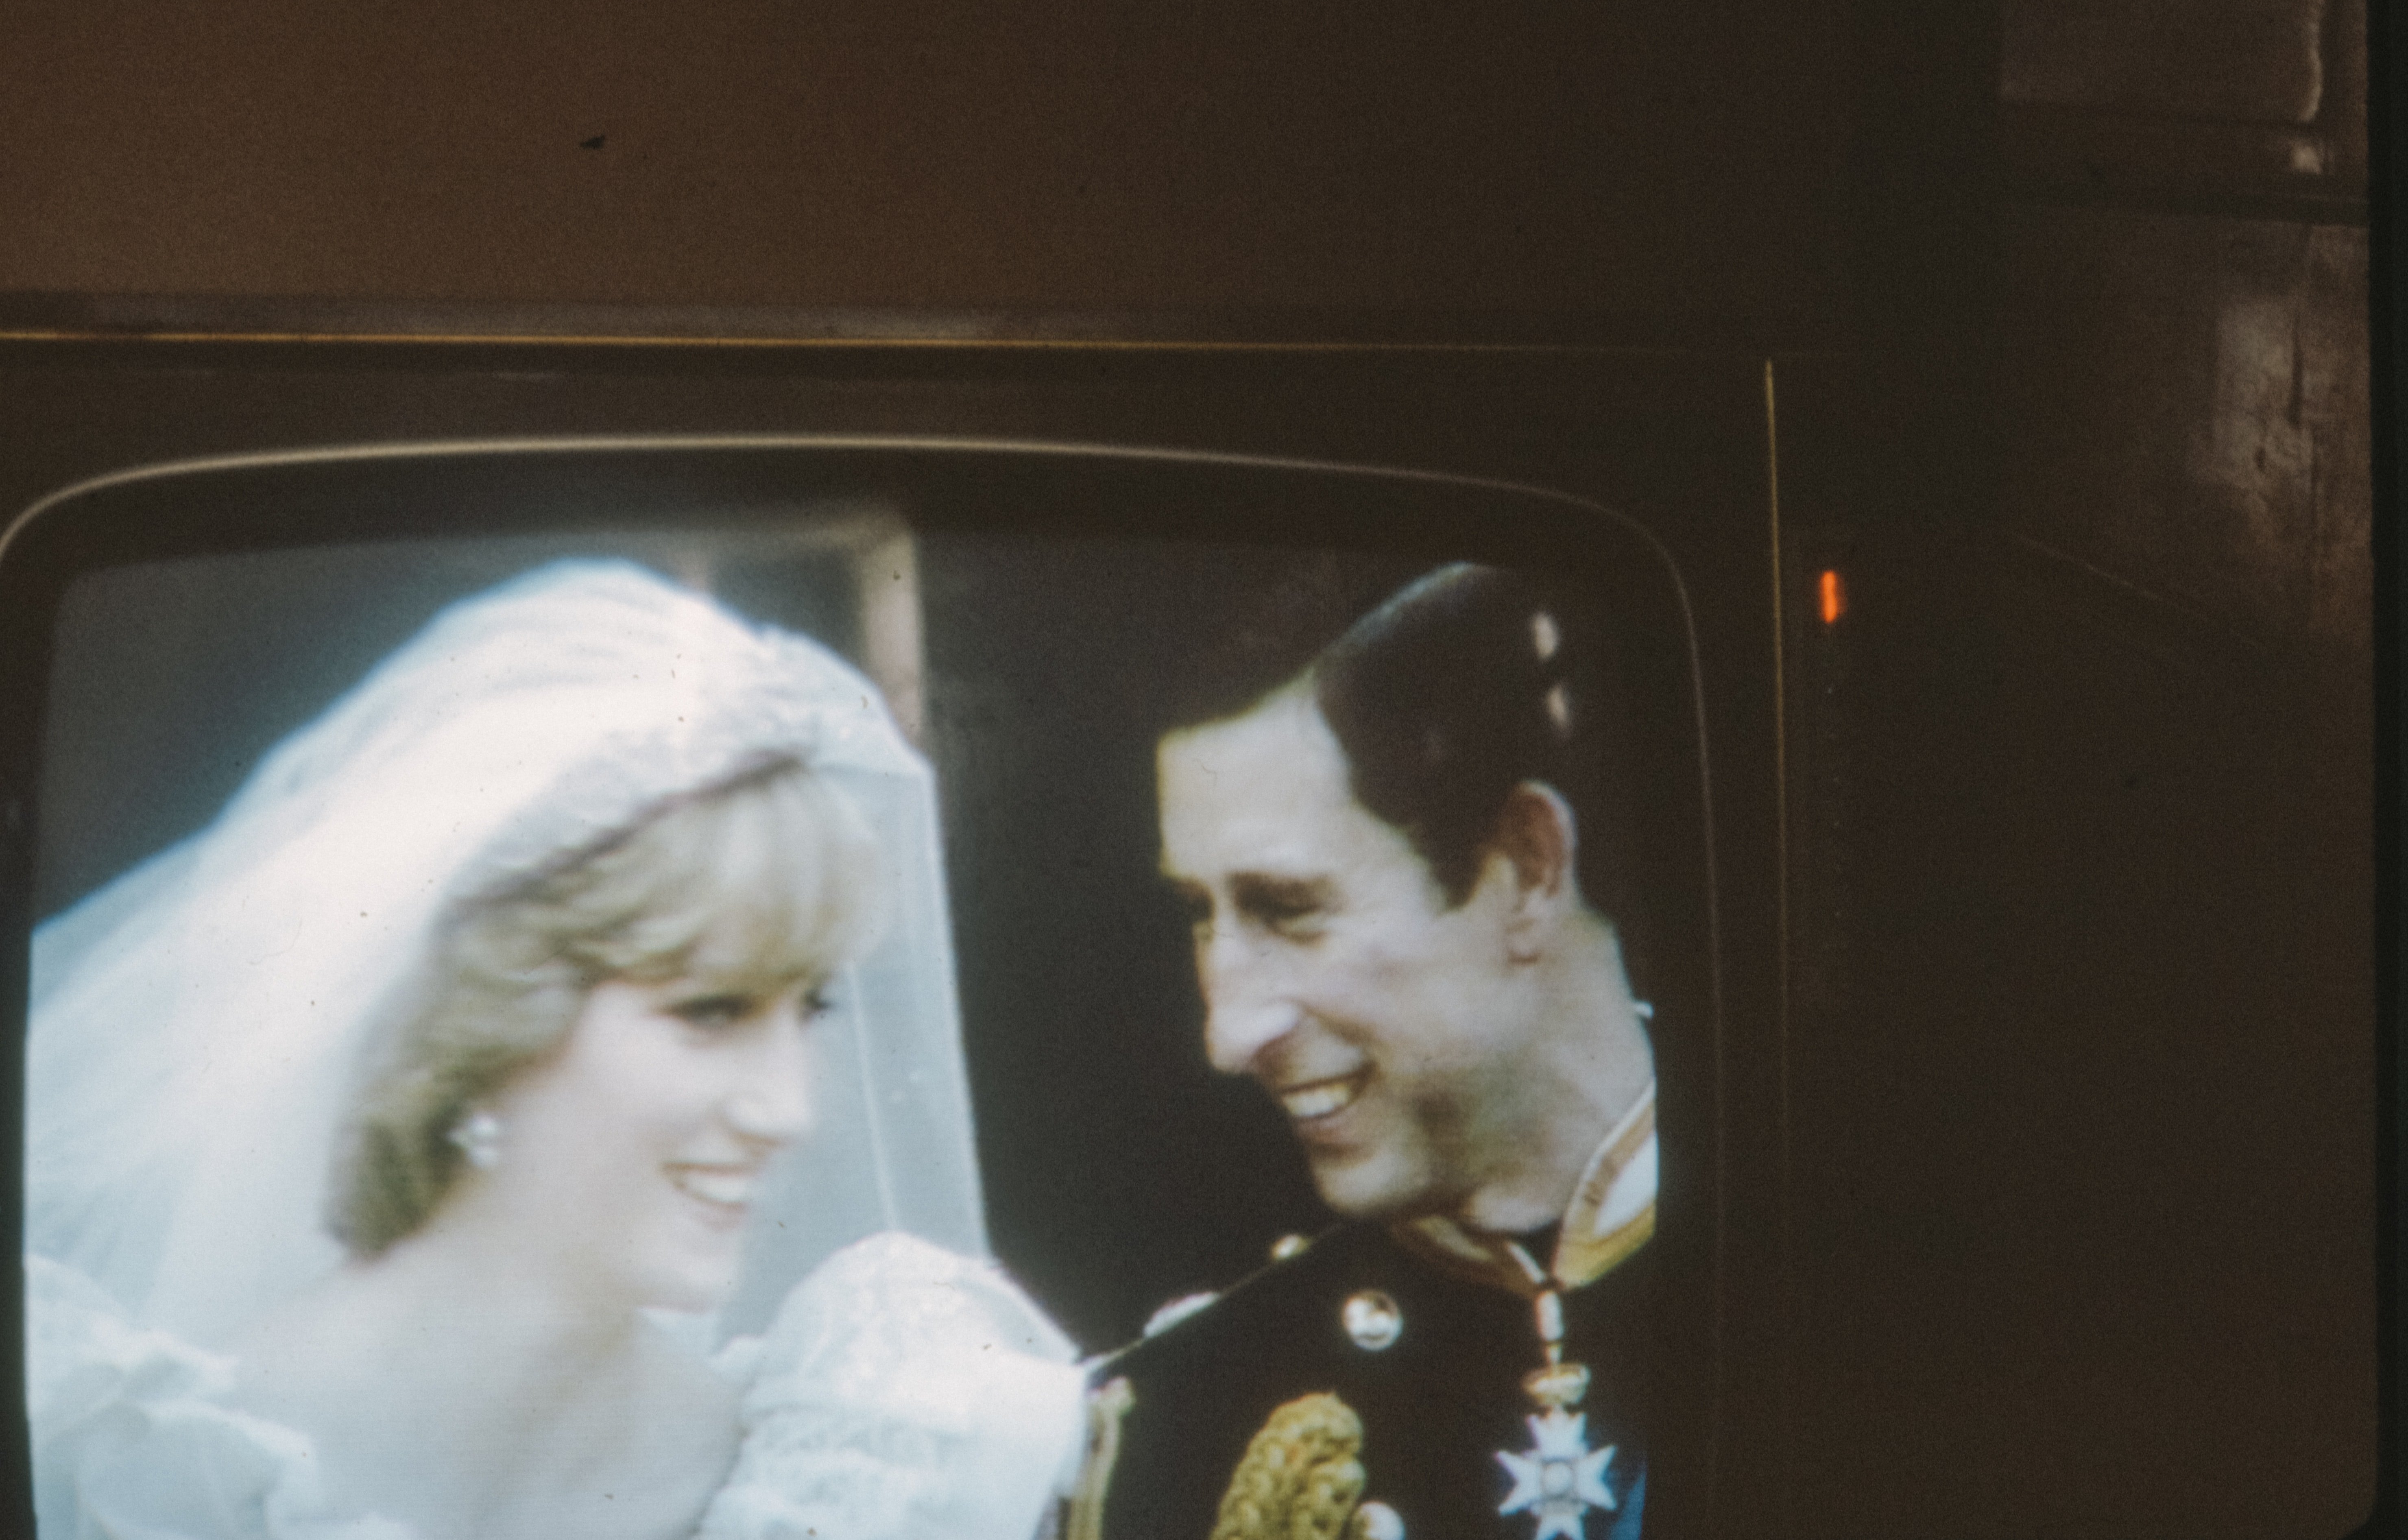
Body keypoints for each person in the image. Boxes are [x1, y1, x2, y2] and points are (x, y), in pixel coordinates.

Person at [25, 561, 1088, 1540]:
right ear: (483, 1022)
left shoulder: (853, 1479)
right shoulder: (127, 1461)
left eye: (803, 1010)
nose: (787, 1109)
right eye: (710, 1010)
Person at [1084, 563, 1660, 1540]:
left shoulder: (1871, 1294)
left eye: (1288, 909)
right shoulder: (1194, 1413)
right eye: (1199, 913)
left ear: (1526, 870)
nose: (1228, 1035)